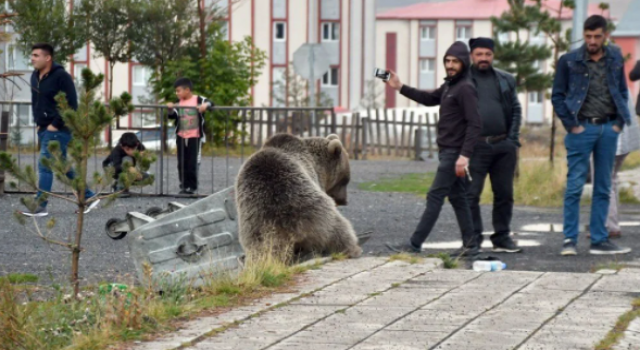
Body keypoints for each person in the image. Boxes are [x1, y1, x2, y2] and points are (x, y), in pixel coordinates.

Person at [385, 41, 482, 257]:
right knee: (458, 198)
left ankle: (414, 244)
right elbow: (429, 99)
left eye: (455, 61)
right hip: (448, 152)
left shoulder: (465, 88)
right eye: (447, 61)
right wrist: (400, 87)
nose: (450, 65)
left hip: (455, 154)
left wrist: (464, 156)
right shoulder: (450, 85)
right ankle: (471, 245)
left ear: (464, 63)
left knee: (434, 196)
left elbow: (475, 124)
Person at [551, 15, 632, 255]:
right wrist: (571, 125)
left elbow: (621, 92)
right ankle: (569, 240)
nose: (592, 41)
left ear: (605, 35)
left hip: (608, 129)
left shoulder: (615, 58)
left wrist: (618, 124)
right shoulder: (569, 61)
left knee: (604, 186)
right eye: (588, 36)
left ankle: (599, 239)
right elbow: (557, 95)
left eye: (597, 36)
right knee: (575, 185)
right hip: (581, 129)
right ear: (584, 35)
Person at [21, 43, 100, 217]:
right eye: (32, 55)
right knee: (63, 167)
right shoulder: (35, 76)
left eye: (36, 55)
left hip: (57, 129)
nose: (32, 58)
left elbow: (71, 104)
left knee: (45, 166)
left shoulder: (61, 76)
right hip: (43, 128)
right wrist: (38, 122)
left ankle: (40, 206)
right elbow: (37, 102)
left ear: (47, 58)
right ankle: (89, 195)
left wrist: (55, 124)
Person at [466, 37, 522, 253]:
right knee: (471, 195)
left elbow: (515, 108)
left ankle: (502, 237)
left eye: (487, 54)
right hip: (474, 148)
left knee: (504, 194)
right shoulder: (462, 81)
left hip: (503, 146)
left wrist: (512, 140)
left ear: (493, 55)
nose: (483, 58)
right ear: (472, 55)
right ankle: (473, 239)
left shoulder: (505, 79)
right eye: (479, 54)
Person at [166, 78, 213, 195]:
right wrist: (170, 109)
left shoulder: (198, 99)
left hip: (195, 136)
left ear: (187, 90)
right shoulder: (178, 102)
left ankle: (192, 187)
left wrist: (205, 105)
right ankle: (183, 186)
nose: (177, 93)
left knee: (192, 162)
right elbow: (172, 117)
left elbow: (211, 102)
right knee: (181, 162)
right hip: (181, 136)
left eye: (178, 91)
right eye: (176, 91)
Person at [102, 132, 148, 197]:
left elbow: (143, 150)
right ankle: (121, 188)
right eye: (127, 149)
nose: (131, 151)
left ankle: (119, 184)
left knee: (146, 177)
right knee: (127, 159)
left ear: (137, 144)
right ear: (122, 146)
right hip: (112, 168)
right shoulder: (117, 151)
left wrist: (142, 156)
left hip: (127, 169)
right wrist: (129, 169)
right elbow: (117, 167)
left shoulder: (138, 144)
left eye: (133, 149)